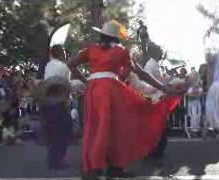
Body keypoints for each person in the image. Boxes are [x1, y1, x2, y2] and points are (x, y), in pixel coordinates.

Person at [67, 20, 186, 179]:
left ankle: (94, 167)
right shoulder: (121, 51)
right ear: (117, 38)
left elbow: (70, 64)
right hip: (111, 90)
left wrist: (87, 81)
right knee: (117, 127)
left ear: (102, 35)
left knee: (95, 127)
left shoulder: (91, 49)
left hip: (94, 90)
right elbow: (141, 73)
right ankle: (114, 167)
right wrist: (163, 87)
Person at [40, 45, 74, 170]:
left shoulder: (46, 66)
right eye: (64, 52)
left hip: (46, 101)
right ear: (60, 53)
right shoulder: (63, 67)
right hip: (58, 101)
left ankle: (53, 160)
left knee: (52, 131)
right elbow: (67, 85)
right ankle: (58, 160)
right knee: (63, 130)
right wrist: (66, 100)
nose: (65, 54)